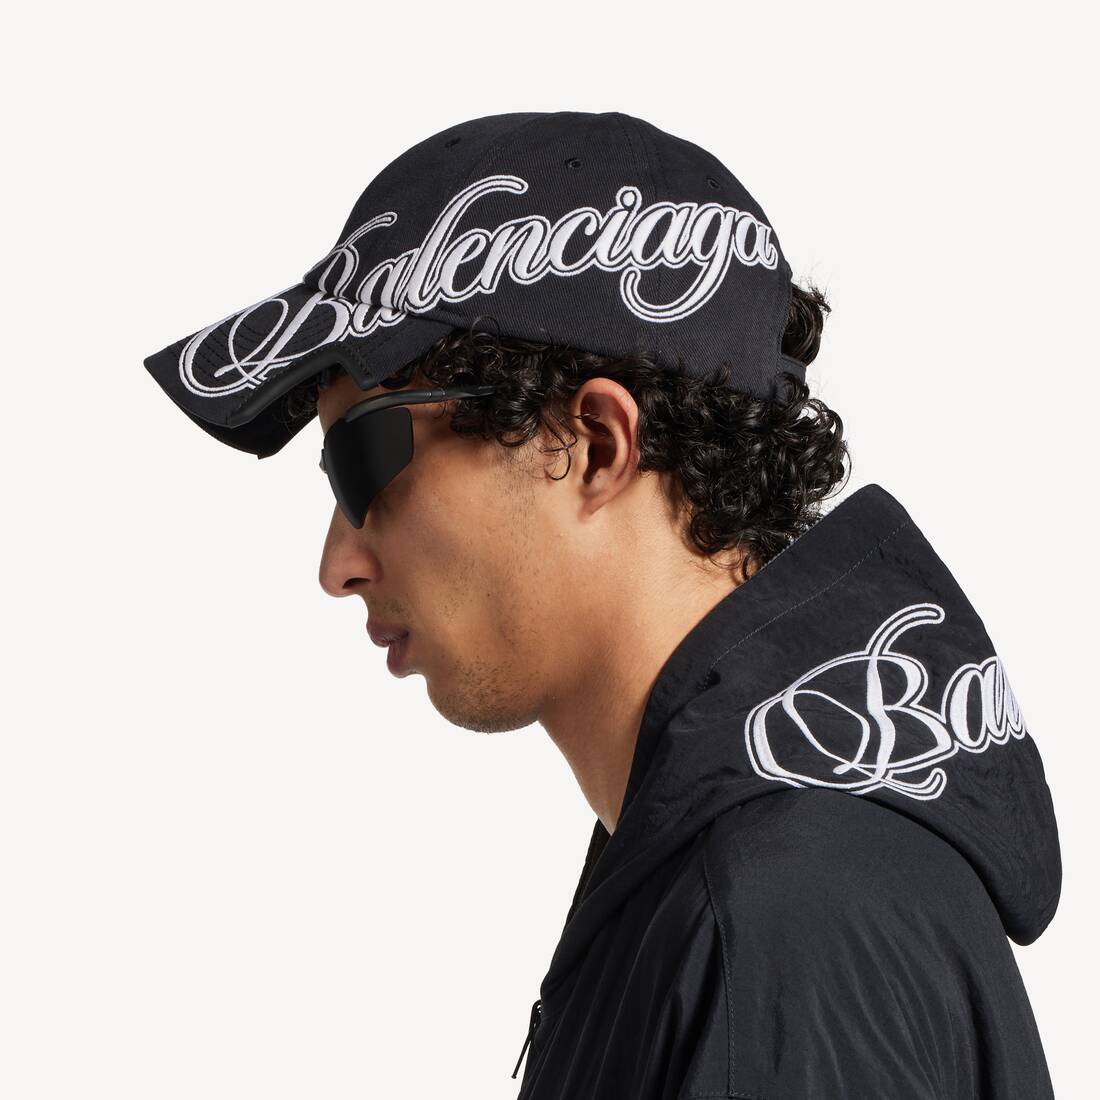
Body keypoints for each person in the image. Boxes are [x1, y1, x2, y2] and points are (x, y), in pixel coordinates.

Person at [143, 111, 1060, 1098]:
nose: (338, 563)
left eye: (363, 459)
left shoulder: (776, 919)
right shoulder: (730, 868)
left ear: (596, 446)